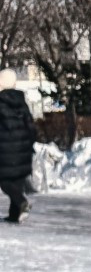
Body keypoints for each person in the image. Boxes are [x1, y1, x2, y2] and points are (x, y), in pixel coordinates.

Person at [0, 68, 37, 223]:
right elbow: (31, 126)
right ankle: (15, 215)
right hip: (23, 150)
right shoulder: (21, 102)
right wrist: (29, 143)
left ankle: (22, 202)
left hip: (5, 149)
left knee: (5, 181)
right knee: (16, 181)